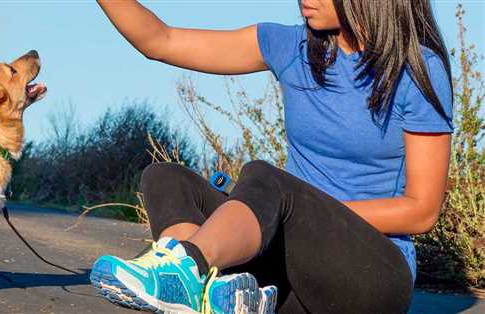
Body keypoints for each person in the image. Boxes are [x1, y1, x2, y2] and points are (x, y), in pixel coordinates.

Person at [90, 1, 454, 313]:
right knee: (166, 178)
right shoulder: (292, 47)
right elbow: (160, 41)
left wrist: (296, 214)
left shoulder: (416, 68)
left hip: (371, 279)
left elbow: (421, 211)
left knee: (268, 181)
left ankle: (187, 267)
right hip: (292, 274)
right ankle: (203, 292)